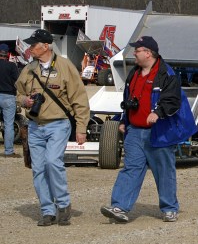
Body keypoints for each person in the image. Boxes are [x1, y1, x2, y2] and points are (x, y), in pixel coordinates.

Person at [100, 36, 197, 223]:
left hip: (158, 132)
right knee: (131, 169)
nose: (134, 53)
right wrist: (123, 120)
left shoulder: (166, 74)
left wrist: (158, 113)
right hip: (134, 131)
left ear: (148, 53)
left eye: (137, 50)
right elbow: (129, 99)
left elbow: (173, 101)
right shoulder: (133, 74)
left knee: (163, 171)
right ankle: (120, 207)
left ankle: (169, 208)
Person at [15, 29, 90, 226]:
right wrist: (25, 100)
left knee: (52, 162)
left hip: (58, 124)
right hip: (35, 126)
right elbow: (18, 94)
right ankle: (47, 210)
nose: (30, 48)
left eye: (33, 45)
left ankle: (63, 205)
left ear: (46, 46)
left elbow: (80, 99)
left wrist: (81, 127)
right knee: (38, 169)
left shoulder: (65, 67)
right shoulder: (29, 69)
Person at [0, 43, 20, 157]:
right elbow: (18, 82)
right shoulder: (12, 66)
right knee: (8, 125)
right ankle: (8, 151)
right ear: (7, 54)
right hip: (8, 96)